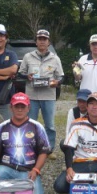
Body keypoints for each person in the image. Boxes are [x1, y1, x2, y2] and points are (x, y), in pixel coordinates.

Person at [0, 93, 50, 194]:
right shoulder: (2, 127)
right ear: (11, 107)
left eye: (23, 107)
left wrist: (36, 170)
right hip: (6, 168)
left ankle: (9, 190)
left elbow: (44, 151)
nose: (20, 110)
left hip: (28, 170)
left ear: (28, 108)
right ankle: (18, 189)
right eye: (17, 106)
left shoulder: (37, 126)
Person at [53, 92, 97, 194]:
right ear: (87, 106)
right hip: (80, 163)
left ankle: (93, 190)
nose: (94, 107)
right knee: (59, 186)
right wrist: (69, 169)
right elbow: (68, 148)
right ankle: (85, 189)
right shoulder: (76, 124)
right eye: (91, 104)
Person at [18, 29, 64, 157]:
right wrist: (28, 76)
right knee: (31, 123)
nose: (42, 41)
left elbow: (61, 76)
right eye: (40, 39)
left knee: (49, 125)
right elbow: (20, 73)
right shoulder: (28, 56)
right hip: (32, 95)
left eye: (45, 39)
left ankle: (49, 149)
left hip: (48, 95)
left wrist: (56, 82)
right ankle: (31, 147)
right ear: (36, 42)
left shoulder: (55, 59)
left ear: (48, 42)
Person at [73, 34, 97, 109]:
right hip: (85, 98)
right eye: (93, 44)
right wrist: (75, 71)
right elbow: (78, 78)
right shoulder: (83, 59)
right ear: (90, 45)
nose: (95, 47)